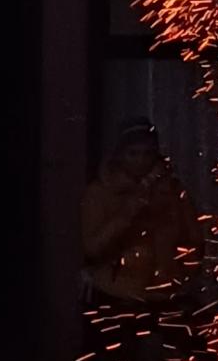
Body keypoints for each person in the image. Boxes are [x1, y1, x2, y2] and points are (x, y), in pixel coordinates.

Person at [81, 120, 201, 311]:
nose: (141, 161)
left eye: (147, 153)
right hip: (117, 294)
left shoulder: (173, 192)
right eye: (133, 153)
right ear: (120, 155)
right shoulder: (101, 193)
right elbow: (92, 248)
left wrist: (179, 273)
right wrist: (127, 214)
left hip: (166, 296)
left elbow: (194, 240)